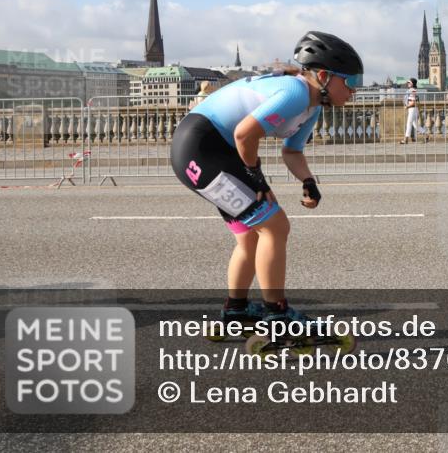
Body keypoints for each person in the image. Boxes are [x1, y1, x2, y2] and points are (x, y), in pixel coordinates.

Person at [171, 31, 363, 328]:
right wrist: (258, 181)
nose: (355, 92)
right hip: (201, 147)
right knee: (275, 225)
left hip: (214, 150)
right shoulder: (295, 93)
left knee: (250, 235)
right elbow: (244, 134)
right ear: (324, 76)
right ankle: (278, 313)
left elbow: (293, 151)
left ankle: (236, 310)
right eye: (351, 83)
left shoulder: (311, 105)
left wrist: (308, 182)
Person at [399, 78, 427, 144]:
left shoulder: (412, 91)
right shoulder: (412, 90)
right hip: (413, 109)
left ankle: (406, 139)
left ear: (412, 84)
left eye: (409, 82)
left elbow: (413, 102)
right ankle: (426, 135)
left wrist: (407, 106)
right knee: (415, 125)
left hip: (412, 109)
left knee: (409, 123)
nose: (407, 84)